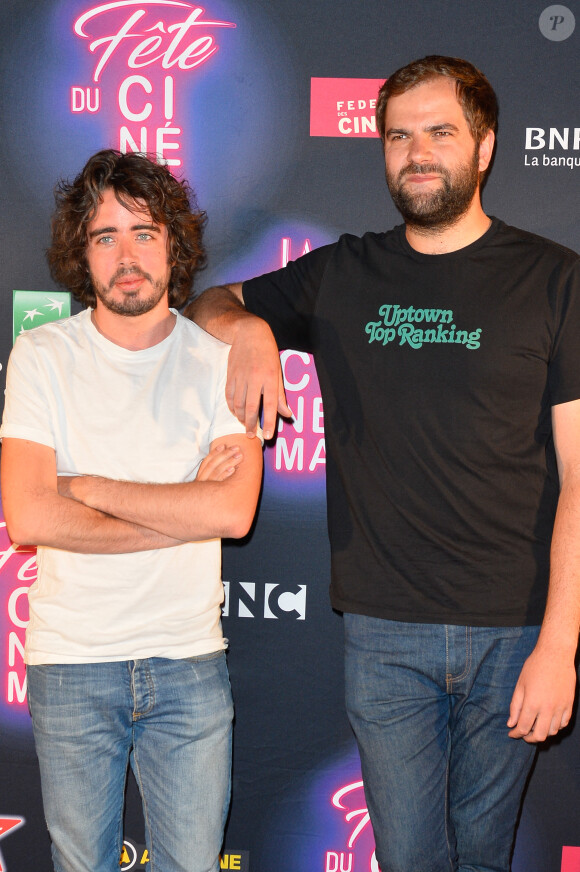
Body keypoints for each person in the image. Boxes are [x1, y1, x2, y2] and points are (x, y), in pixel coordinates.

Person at [186, 56, 580, 872]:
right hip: (382, 630)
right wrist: (254, 330)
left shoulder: (555, 281)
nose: (416, 152)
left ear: (486, 145)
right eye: (398, 136)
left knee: (483, 853)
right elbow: (207, 304)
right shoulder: (342, 272)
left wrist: (559, 648)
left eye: (439, 132)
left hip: (512, 629)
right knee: (406, 859)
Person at [0, 149, 263, 872]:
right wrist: (185, 507)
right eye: (104, 235)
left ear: (174, 244)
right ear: (79, 254)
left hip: (188, 662)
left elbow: (234, 513)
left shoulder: (220, 361)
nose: (126, 255)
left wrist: (86, 488)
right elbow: (29, 517)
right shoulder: (41, 356)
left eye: (144, 232)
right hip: (72, 663)